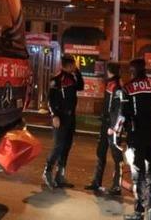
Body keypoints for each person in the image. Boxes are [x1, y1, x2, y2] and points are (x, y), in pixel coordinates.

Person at [114, 58, 151, 220]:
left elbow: (123, 115)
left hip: (137, 136)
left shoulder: (127, 88)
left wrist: (117, 136)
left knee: (138, 174)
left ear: (133, 71)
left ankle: (139, 212)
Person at [42, 55, 84, 189]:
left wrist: (77, 72)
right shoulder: (56, 80)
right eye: (73, 65)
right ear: (68, 65)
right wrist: (54, 115)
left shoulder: (72, 77)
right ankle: (47, 172)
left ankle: (60, 175)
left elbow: (81, 86)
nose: (74, 67)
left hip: (71, 117)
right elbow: (50, 99)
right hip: (60, 118)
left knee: (67, 146)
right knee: (58, 146)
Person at [85, 62, 124, 195]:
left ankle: (116, 185)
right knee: (100, 152)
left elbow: (119, 108)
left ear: (108, 70)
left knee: (116, 155)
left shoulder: (117, 86)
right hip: (106, 124)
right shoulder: (111, 83)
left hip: (112, 126)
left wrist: (113, 127)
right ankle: (96, 182)